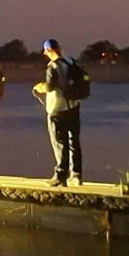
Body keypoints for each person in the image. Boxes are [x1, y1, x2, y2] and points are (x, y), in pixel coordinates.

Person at [34, 39, 83, 187]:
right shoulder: (70, 61)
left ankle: (60, 175)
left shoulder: (53, 67)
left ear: (49, 51)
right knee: (73, 142)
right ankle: (77, 175)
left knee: (59, 143)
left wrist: (39, 87)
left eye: (45, 50)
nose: (44, 53)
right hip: (74, 107)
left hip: (58, 109)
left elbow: (50, 87)